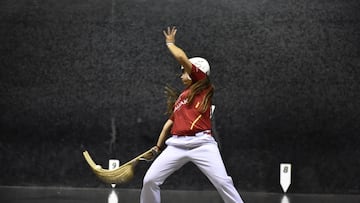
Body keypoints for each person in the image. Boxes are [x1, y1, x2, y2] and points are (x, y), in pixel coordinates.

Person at [140, 26, 244, 203]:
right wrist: (157, 148)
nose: (181, 75)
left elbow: (181, 57)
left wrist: (170, 43)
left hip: (202, 144)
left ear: (196, 70)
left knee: (223, 182)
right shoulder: (182, 97)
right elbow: (169, 123)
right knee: (149, 180)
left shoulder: (203, 83)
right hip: (176, 145)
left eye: (184, 71)